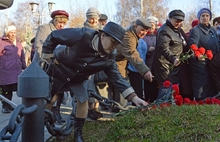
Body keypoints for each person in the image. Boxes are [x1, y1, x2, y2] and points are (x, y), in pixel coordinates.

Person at [41, 21, 148, 142]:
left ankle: (78, 133)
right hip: (59, 69)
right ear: (103, 35)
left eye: (117, 44)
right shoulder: (83, 34)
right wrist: (47, 55)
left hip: (79, 78)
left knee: (83, 100)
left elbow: (117, 78)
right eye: (113, 42)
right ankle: (39, 126)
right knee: (51, 98)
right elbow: (54, 36)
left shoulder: (109, 57)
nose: (114, 47)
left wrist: (134, 97)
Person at [34, 9, 69, 123]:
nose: (61, 25)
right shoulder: (45, 28)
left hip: (59, 66)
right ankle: (44, 115)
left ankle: (55, 113)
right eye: (60, 22)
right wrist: (47, 59)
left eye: (64, 23)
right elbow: (39, 46)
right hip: (45, 65)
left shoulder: (63, 32)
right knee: (49, 92)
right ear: (54, 20)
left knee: (59, 90)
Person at [115, 18, 153, 107]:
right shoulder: (128, 36)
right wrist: (145, 70)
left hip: (122, 64)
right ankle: (120, 111)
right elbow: (132, 53)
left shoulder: (134, 35)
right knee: (121, 87)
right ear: (135, 26)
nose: (144, 33)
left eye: (146, 31)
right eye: (142, 30)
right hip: (116, 63)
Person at [151, 9, 186, 99]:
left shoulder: (177, 30)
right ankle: (161, 109)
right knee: (166, 89)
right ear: (170, 18)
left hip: (174, 66)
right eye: (176, 21)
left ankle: (167, 109)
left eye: (180, 21)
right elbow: (163, 48)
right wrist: (173, 58)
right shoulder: (164, 30)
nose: (178, 23)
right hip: (165, 66)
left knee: (171, 92)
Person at [188, 8, 219, 100]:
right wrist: (198, 55)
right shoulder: (196, 30)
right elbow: (193, 45)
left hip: (213, 62)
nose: (205, 18)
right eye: (203, 16)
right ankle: (200, 103)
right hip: (201, 63)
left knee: (213, 85)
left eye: (207, 16)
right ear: (199, 18)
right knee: (202, 87)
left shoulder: (213, 30)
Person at [0, 25, 26, 113]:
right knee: (6, 90)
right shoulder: (1, 42)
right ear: (7, 33)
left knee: (13, 89)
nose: (13, 34)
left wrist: (24, 67)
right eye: (11, 32)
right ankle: (5, 106)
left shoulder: (18, 42)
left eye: (14, 32)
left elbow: (22, 56)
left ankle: (9, 104)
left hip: (16, 70)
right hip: (5, 71)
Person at [143, 16, 160, 102]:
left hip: (157, 64)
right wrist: (148, 50)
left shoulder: (159, 35)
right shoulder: (144, 36)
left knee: (156, 84)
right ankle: (148, 101)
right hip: (148, 63)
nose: (151, 26)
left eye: (153, 25)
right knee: (148, 83)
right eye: (150, 24)